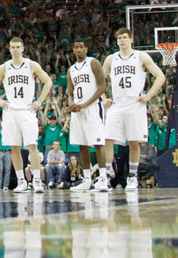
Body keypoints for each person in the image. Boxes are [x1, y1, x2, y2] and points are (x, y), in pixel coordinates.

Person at [101, 27, 166, 192]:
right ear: (117, 42)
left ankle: (132, 176)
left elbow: (160, 76)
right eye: (119, 38)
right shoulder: (111, 59)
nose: (122, 40)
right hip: (117, 103)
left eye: (124, 37)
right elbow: (99, 79)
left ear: (131, 40)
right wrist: (103, 98)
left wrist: (149, 95)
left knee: (133, 142)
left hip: (134, 103)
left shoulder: (141, 56)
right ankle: (107, 174)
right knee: (107, 138)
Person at [0, 36, 52, 194]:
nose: (15, 49)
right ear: (9, 49)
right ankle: (21, 181)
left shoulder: (32, 65)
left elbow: (48, 82)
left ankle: (37, 181)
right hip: (10, 112)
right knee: (14, 147)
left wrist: (39, 101)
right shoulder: (4, 67)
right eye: (13, 47)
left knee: (32, 146)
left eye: (18, 47)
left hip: (27, 110)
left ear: (23, 48)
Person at [66, 38, 108, 192]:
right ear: (73, 50)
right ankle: (87, 180)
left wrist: (85, 104)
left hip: (92, 108)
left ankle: (103, 178)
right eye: (76, 47)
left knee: (98, 144)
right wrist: (72, 103)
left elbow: (102, 86)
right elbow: (70, 93)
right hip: (78, 111)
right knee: (82, 145)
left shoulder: (93, 63)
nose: (78, 50)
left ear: (86, 49)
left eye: (81, 47)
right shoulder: (71, 70)